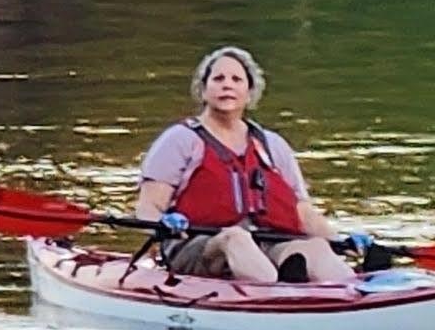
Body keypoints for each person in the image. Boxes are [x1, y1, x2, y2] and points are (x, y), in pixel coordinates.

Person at [133, 47, 355, 287]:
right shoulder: (180, 140)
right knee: (235, 238)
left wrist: (341, 242)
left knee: (314, 247)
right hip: (197, 245)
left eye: (236, 79)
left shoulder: (272, 145)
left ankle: (357, 291)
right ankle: (276, 295)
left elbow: (303, 212)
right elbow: (149, 206)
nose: (227, 85)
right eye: (218, 79)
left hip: (266, 243)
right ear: (203, 91)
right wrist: (162, 225)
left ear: (249, 94)